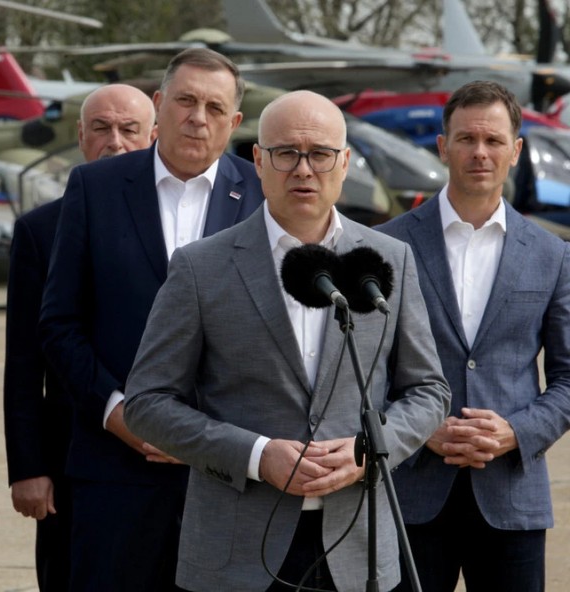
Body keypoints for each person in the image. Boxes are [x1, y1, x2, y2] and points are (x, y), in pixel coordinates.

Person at [123, 90, 451, 592]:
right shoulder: (200, 266)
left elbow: (429, 391)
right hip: (235, 551)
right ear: (258, 160)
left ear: (344, 163)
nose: (303, 170)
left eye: (319, 154)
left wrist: (371, 448)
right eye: (286, 153)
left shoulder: (389, 259)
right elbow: (147, 403)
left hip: (357, 545)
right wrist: (257, 455)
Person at [39, 48, 265, 592]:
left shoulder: (264, 194)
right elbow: (59, 324)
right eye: (185, 101)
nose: (198, 117)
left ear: (234, 121)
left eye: (215, 107)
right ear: (159, 105)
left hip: (231, 479)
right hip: (115, 475)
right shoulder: (94, 188)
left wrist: (219, 434)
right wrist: (120, 413)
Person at [377, 80, 570, 592]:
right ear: (443, 147)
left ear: (516, 150)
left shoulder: (553, 255)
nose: (479, 152)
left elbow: (569, 380)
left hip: (512, 498)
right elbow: (361, 369)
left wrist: (516, 432)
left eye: (493, 140)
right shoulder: (387, 244)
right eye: (466, 139)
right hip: (411, 495)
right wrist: (415, 428)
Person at [3, 83, 157, 592]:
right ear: (80, 135)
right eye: (101, 128)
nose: (115, 141)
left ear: (154, 135)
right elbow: (25, 361)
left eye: (130, 129)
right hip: (72, 459)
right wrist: (28, 467)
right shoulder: (40, 229)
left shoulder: (181, 220)